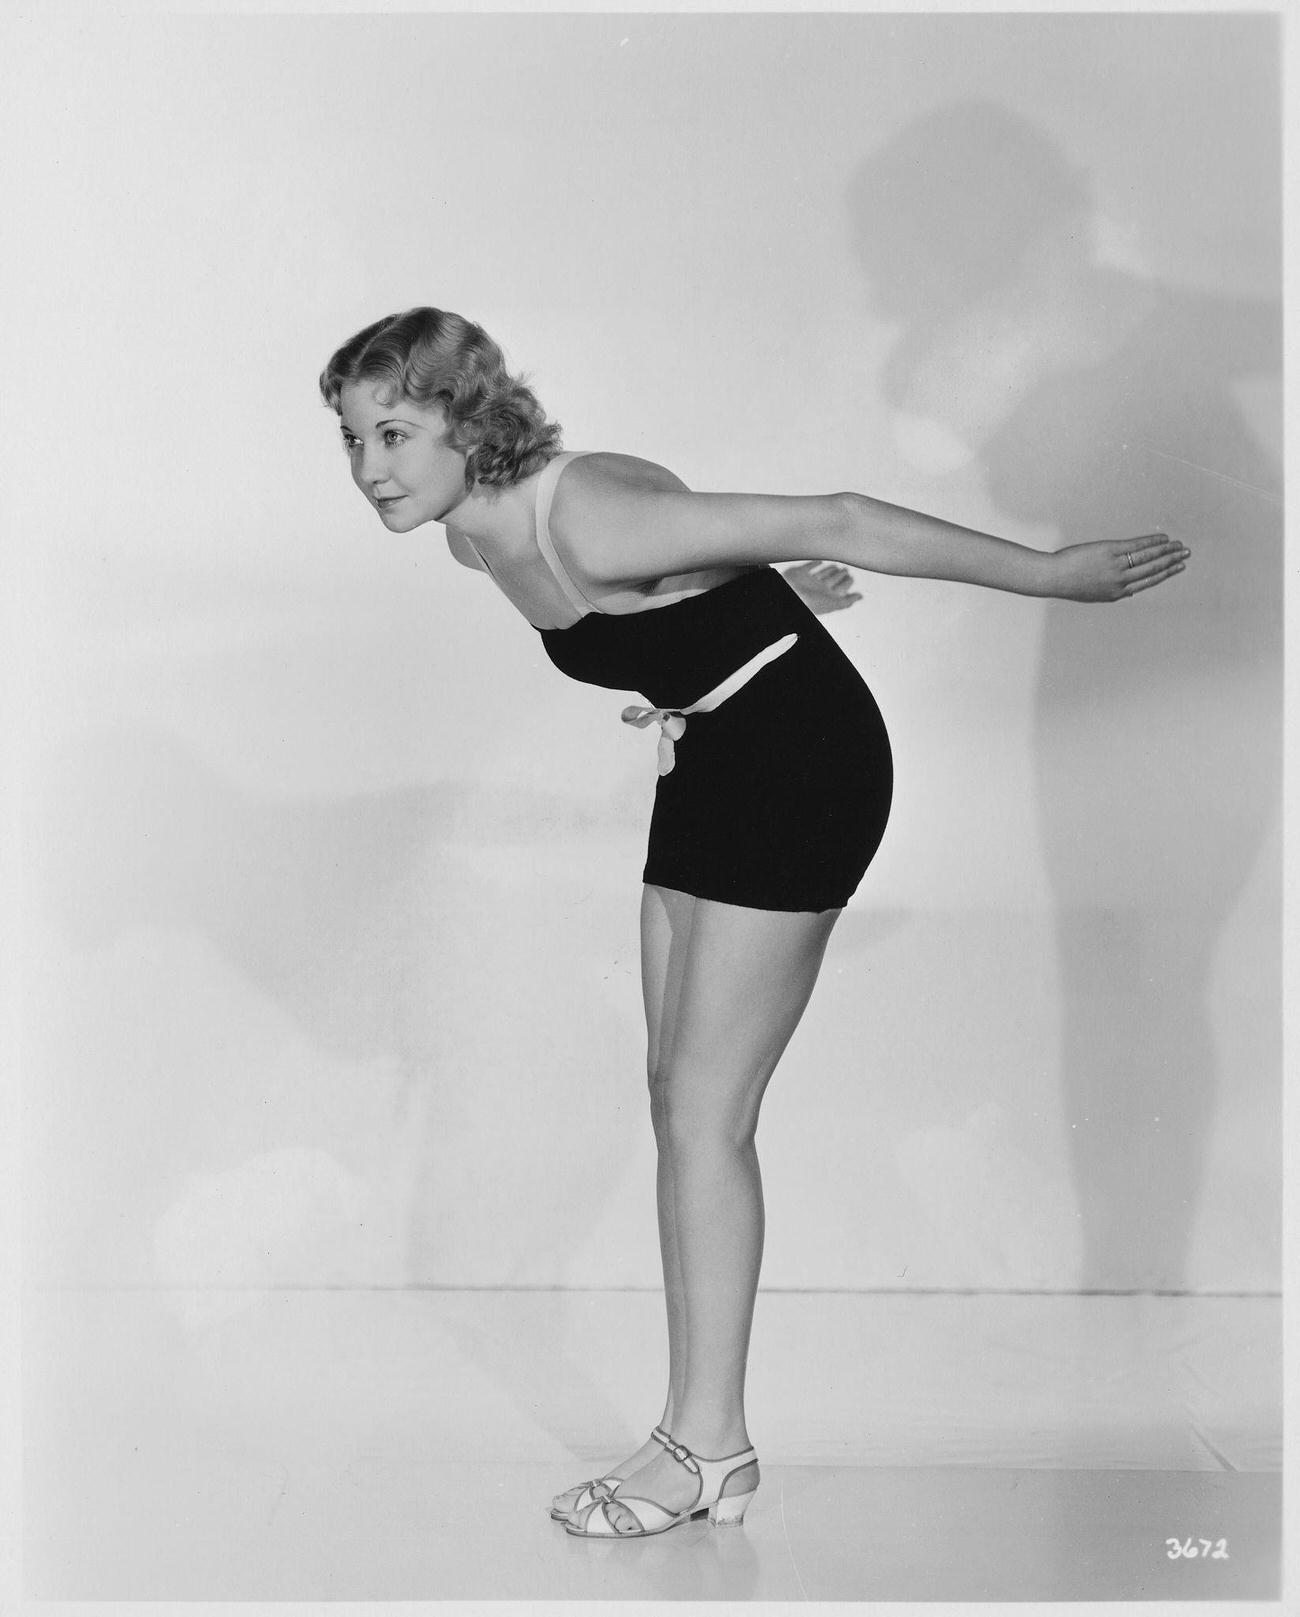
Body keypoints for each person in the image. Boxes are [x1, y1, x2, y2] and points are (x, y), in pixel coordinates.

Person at [319, 306, 1189, 1540]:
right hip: (714, 755)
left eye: (395, 433)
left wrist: (1049, 576)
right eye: (352, 439)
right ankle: (698, 1440)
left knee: (707, 1114)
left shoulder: (588, 512)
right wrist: (737, 627)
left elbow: (834, 513)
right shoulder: (474, 545)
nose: (370, 470)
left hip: (802, 761)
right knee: (677, 1098)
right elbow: (679, 605)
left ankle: (705, 1448)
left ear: (471, 421)